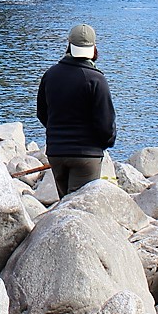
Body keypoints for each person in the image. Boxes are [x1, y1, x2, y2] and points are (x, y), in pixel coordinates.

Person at [36, 23, 116, 195]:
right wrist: (106, 142)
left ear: (69, 46)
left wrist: (57, 133)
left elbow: (42, 113)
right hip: (87, 155)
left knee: (65, 206)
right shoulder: (96, 80)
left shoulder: (50, 75)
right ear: (94, 48)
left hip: (56, 153)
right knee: (78, 210)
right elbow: (106, 124)